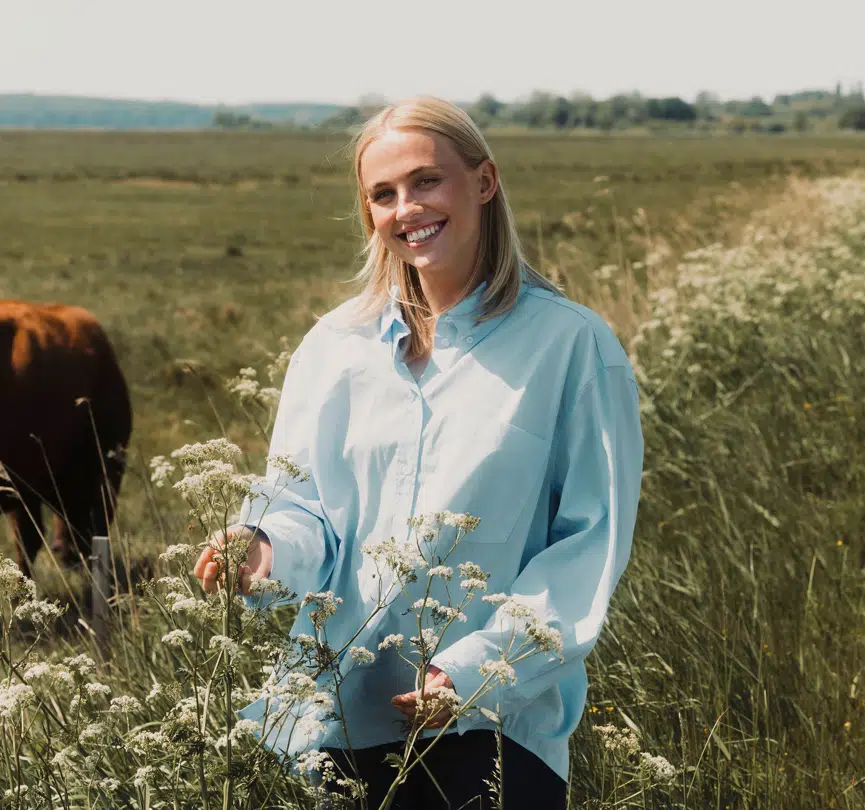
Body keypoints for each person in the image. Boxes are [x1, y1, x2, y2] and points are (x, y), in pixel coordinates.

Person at [192, 96, 644, 809]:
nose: (408, 208)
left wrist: (475, 672)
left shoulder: (574, 348)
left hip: (494, 736)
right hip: (327, 723)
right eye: (383, 194)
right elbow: (307, 506)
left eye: (427, 181)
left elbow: (586, 548)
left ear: (484, 182)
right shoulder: (333, 349)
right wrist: (264, 544)